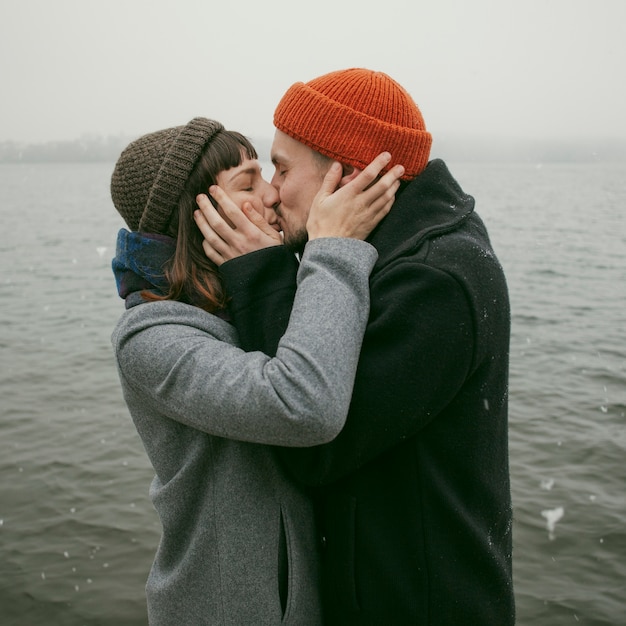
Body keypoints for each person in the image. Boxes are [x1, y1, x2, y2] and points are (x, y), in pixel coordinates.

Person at [195, 69, 515, 625]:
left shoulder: (436, 278)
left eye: (283, 167)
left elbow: (311, 441)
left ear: (344, 173)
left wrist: (260, 274)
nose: (271, 189)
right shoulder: (384, 252)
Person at [109, 116, 404, 625]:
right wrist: (335, 249)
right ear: (195, 216)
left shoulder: (239, 295)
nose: (271, 195)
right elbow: (303, 405)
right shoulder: (149, 337)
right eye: (248, 182)